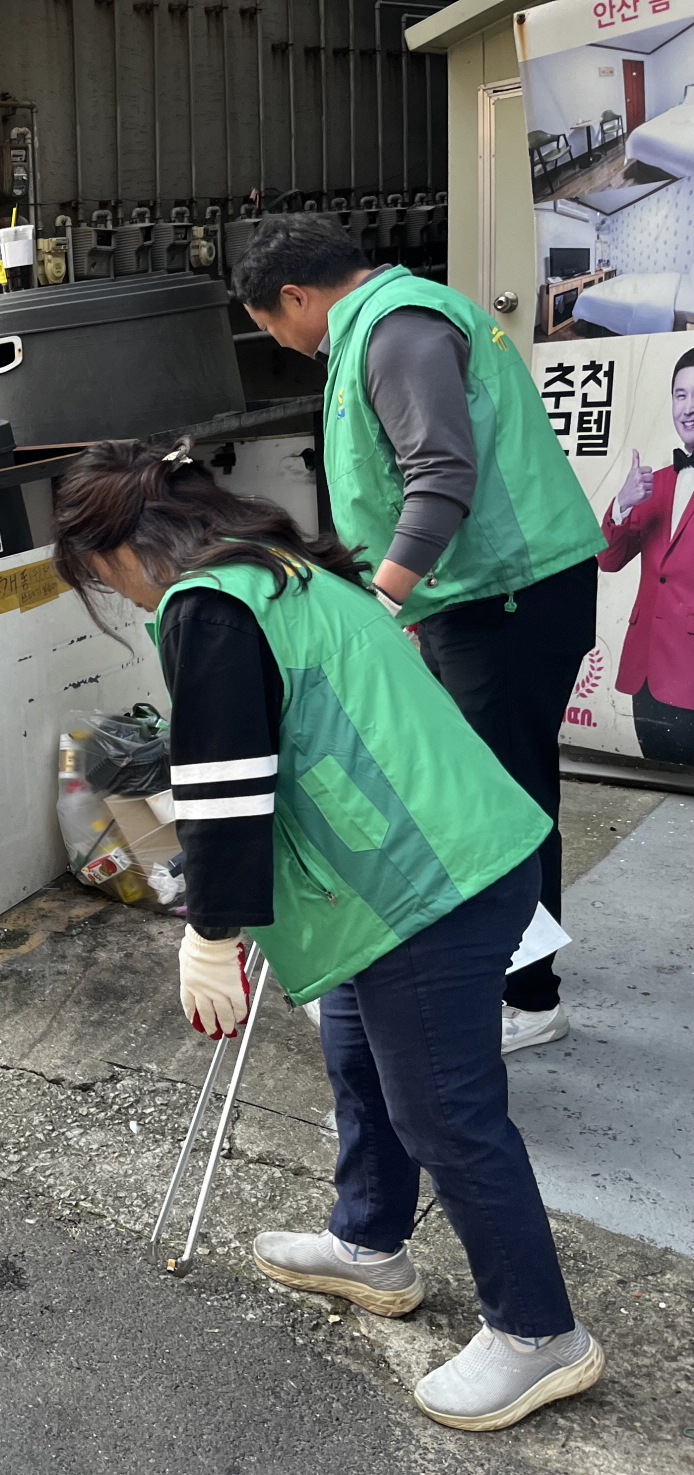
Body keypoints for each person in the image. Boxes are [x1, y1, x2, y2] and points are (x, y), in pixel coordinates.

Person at [51, 439, 603, 1433]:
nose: (124, 600)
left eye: (102, 577)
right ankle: (368, 1245)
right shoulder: (285, 569)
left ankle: (537, 1334)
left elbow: (223, 788)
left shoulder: (209, 605)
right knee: (357, 1056)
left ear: (125, 546)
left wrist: (210, 933)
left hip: (424, 881)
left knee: (446, 1117)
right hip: (416, 863)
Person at [234, 214, 606, 1055]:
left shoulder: (397, 333)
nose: (285, 343)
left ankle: (528, 994)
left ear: (296, 295)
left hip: (507, 598)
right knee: (485, 787)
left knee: (504, 801)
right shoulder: (387, 322)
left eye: (271, 326)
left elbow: (440, 478)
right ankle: (511, 961)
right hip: (478, 595)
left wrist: (380, 602)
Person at [598, 349, 694, 763]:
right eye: (680, 395)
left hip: (690, 671)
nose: (688, 409)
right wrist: (622, 503)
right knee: (656, 786)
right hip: (646, 673)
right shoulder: (652, 483)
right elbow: (608, 560)